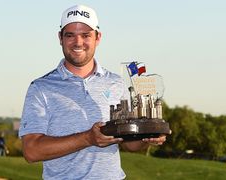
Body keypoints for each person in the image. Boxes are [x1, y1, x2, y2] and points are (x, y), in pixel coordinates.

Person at [19, 5, 167, 179]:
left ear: (98, 37)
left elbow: (129, 144)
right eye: (70, 35)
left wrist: (148, 136)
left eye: (85, 35)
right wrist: (88, 138)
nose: (78, 42)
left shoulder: (116, 83)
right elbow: (31, 151)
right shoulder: (40, 88)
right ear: (60, 38)